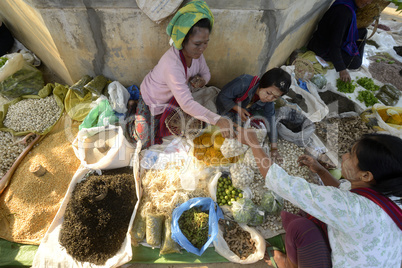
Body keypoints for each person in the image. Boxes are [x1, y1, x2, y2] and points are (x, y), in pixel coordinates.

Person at [236, 127, 402, 268]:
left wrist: (254, 144)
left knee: (299, 227)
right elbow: (343, 192)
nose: (344, 156)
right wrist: (321, 171)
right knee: (308, 209)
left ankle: (288, 263)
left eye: (351, 155)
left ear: (366, 175)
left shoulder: (353, 208)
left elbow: (280, 182)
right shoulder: (391, 194)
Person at [129, 0, 233, 148]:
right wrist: (217, 120)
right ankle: (134, 109)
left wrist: (203, 81)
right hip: (152, 98)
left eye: (205, 43)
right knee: (143, 141)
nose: (202, 48)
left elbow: (206, 73)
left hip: (172, 98)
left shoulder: (197, 55)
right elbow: (187, 104)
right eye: (197, 44)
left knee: (189, 127)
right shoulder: (172, 64)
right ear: (183, 41)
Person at [216, 68, 291, 162]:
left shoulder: (269, 101)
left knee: (252, 133)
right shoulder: (244, 82)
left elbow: (271, 121)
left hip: (243, 111)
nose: (269, 98)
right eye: (268, 93)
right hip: (226, 107)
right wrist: (238, 108)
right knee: (228, 133)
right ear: (262, 84)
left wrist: (274, 148)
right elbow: (222, 96)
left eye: (275, 97)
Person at [307, 0, 373, 83]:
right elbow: (334, 44)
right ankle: (356, 56)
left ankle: (355, 54)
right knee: (356, 63)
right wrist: (342, 69)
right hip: (322, 47)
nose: (368, 2)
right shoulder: (344, 13)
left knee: (363, 32)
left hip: (330, 39)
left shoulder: (348, 4)